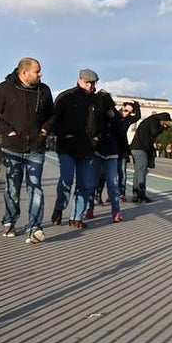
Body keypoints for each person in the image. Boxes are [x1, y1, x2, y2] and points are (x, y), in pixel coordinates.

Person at [0, 57, 54, 243]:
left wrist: (45, 130)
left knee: (35, 188)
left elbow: (52, 116)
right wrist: (9, 131)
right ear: (24, 73)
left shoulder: (44, 90)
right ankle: (10, 220)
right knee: (12, 188)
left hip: (36, 148)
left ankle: (34, 227)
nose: (40, 74)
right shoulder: (4, 89)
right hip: (12, 148)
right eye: (37, 71)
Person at [45, 68, 109, 229]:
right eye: (87, 82)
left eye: (93, 83)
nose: (90, 86)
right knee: (66, 181)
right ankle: (59, 207)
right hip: (67, 146)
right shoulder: (66, 97)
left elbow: (101, 124)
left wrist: (97, 138)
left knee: (86, 184)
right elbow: (54, 119)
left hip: (87, 148)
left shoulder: (96, 101)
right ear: (79, 80)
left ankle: (76, 217)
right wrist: (62, 134)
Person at [93, 88, 126, 222]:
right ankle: (93, 207)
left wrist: (113, 118)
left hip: (109, 151)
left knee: (110, 182)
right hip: (100, 150)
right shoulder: (94, 112)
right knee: (101, 181)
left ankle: (115, 211)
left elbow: (119, 131)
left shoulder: (114, 115)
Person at [126, 110, 172, 202]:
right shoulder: (154, 121)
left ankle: (136, 195)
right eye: (165, 124)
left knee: (138, 171)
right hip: (141, 148)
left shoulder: (149, 120)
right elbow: (154, 133)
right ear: (164, 120)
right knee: (142, 171)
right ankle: (141, 195)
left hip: (135, 148)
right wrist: (163, 128)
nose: (165, 127)